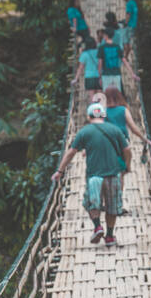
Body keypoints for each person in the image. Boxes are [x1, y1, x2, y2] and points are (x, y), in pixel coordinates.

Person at [52, 99, 130, 246]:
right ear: (104, 115)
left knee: (91, 203)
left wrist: (59, 171)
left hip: (94, 176)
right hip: (113, 175)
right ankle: (110, 236)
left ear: (89, 117)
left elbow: (71, 152)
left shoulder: (84, 132)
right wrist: (127, 166)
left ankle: (97, 226)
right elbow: (127, 150)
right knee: (112, 206)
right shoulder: (115, 130)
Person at [103, 86, 151, 150]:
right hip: (122, 141)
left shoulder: (102, 111)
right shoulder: (123, 110)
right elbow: (133, 128)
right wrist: (145, 139)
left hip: (107, 141)